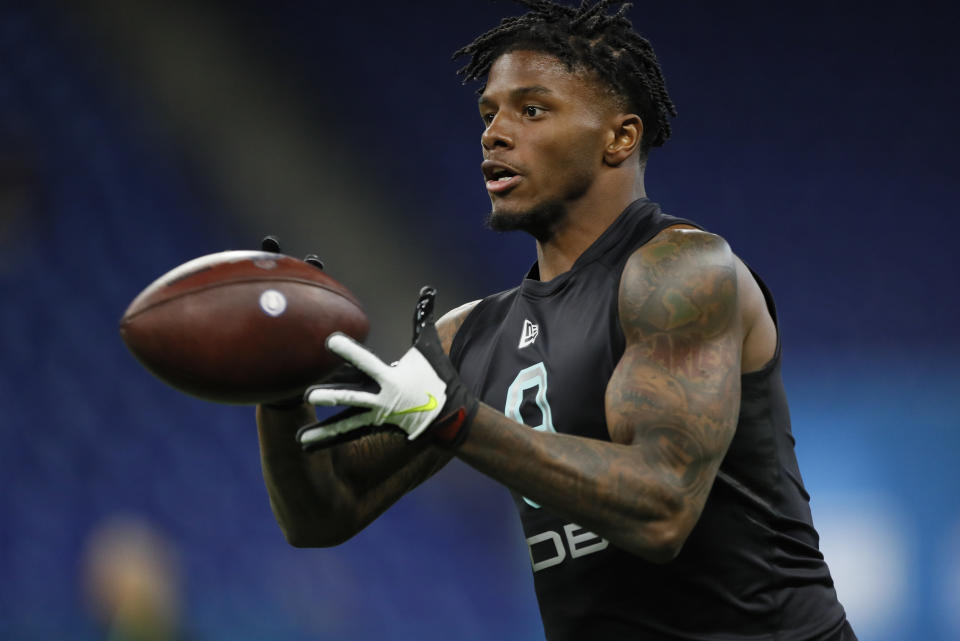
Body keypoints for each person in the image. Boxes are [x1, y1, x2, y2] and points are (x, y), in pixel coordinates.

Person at [256, 1, 857, 639]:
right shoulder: (473, 335)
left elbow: (663, 509)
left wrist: (459, 420)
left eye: (532, 109)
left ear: (619, 138)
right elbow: (322, 515)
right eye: (489, 113)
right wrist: (276, 389)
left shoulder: (680, 271)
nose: (494, 132)